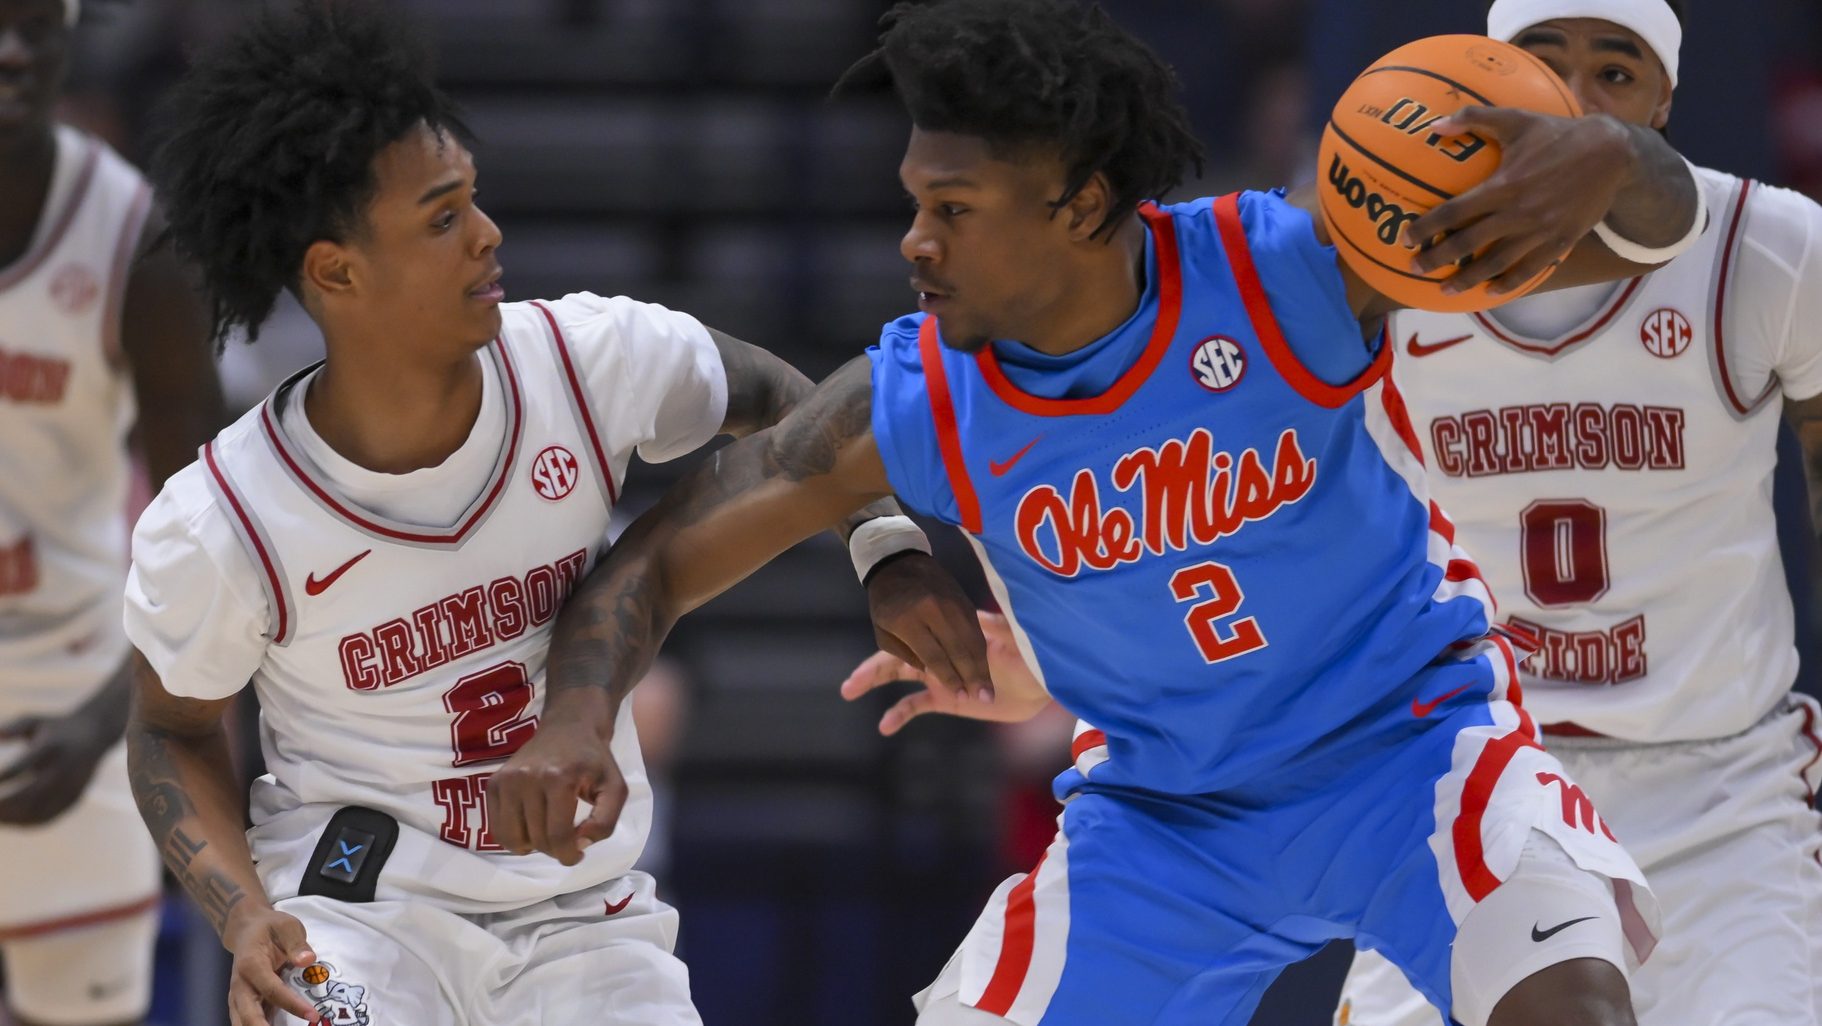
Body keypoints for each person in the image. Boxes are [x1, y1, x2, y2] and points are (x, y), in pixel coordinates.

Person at [490, 1, 1707, 1024]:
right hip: (1164, 819)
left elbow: (1642, 236)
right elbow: (652, 564)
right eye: (914, 200)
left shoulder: (1291, 271)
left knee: (1572, 1008)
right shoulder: (916, 404)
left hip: (1409, 753)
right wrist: (575, 719)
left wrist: (1615, 158)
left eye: (954, 209)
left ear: (1078, 204)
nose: (914, 240)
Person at [116, 3, 975, 1024]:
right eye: (442, 218)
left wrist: (883, 544)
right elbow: (170, 731)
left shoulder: (583, 358)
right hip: (358, 910)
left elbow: (786, 403)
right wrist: (242, 913)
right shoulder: (227, 514)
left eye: (472, 201)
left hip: (584, 914)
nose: (488, 236)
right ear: (335, 271)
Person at [1329, 2, 1822, 1023]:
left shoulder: (1764, 248)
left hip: (1720, 791)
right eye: (1543, 64)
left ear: (1662, 104)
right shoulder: (1382, 264)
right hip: (1470, 779)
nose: (1574, 101)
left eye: (1616, 72)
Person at [0, 0, 224, 1022]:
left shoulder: (138, 245)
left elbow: (216, 539)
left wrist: (111, 717)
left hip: (69, 692)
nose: (11, 50)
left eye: (33, 25)